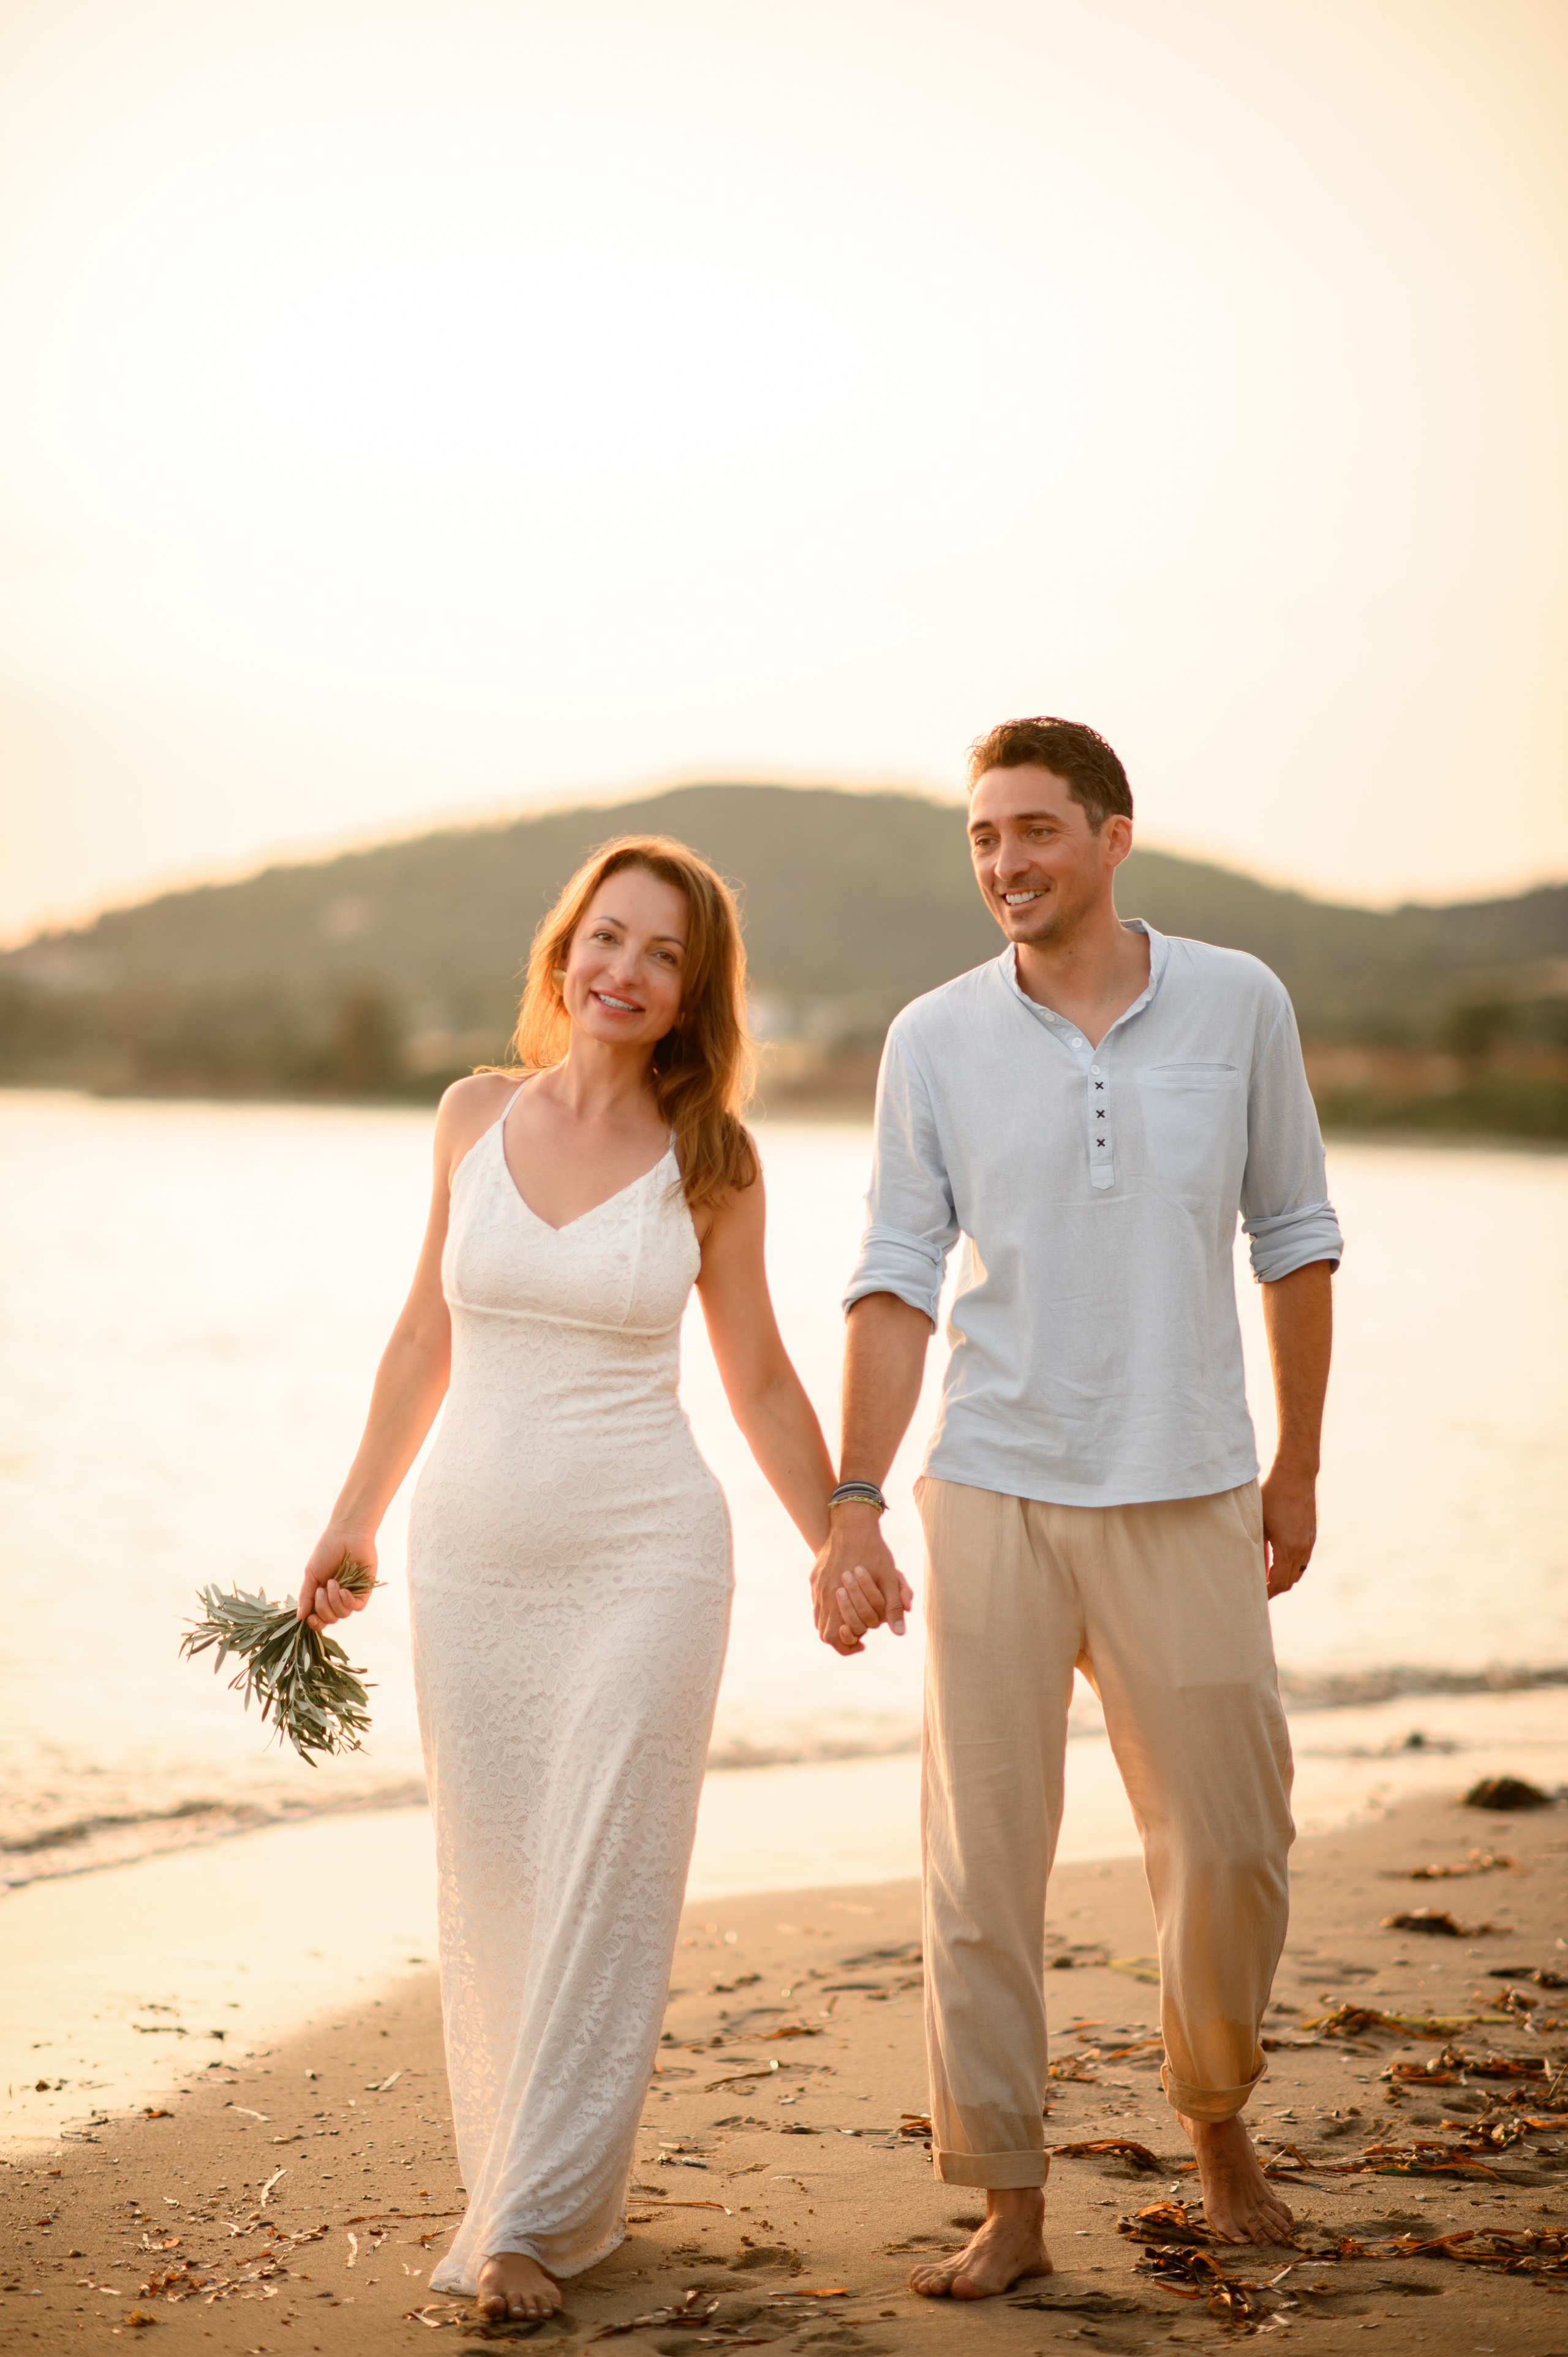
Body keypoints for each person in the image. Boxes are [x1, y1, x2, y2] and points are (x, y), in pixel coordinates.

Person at [812, 717, 1341, 2296]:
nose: (1003, 864)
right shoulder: (933, 1037)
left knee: (1234, 1843)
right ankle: (1008, 2194)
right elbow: (895, 1277)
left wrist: (1295, 1464)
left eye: (1032, 830)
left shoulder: (1238, 1003)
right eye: (980, 838)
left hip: (1184, 1485)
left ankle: (1213, 2110)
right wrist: (852, 1500)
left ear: (1113, 835)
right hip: (990, 1483)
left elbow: (1295, 1236)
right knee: (982, 1860)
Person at [298, 837, 835, 2325]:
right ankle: (539, 2187)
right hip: (473, 1558)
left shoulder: (710, 1159)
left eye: (662, 955)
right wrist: (353, 1519)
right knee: (504, 1881)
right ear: (563, 951)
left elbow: (764, 1380)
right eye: (608, 938)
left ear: (691, 995)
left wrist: (840, 1528)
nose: (626, 971)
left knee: (604, 1877)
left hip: (646, 1554)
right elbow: (421, 1338)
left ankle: (524, 2220)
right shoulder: (471, 1115)